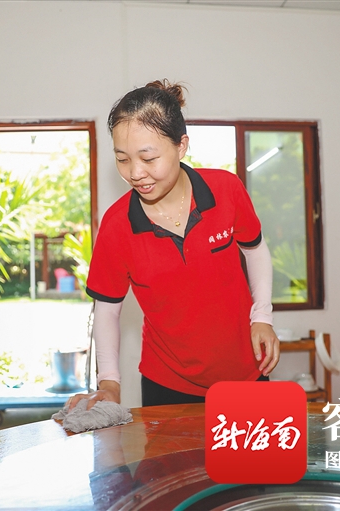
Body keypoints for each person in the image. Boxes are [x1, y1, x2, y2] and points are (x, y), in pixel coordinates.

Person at [70, 79, 280, 410]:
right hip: (167, 384)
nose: (135, 173)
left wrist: (262, 316)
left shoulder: (226, 189)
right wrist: (109, 382)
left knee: (255, 447)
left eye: (148, 158)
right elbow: (107, 310)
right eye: (122, 159)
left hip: (246, 373)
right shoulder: (116, 225)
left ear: (181, 146)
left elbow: (255, 250)